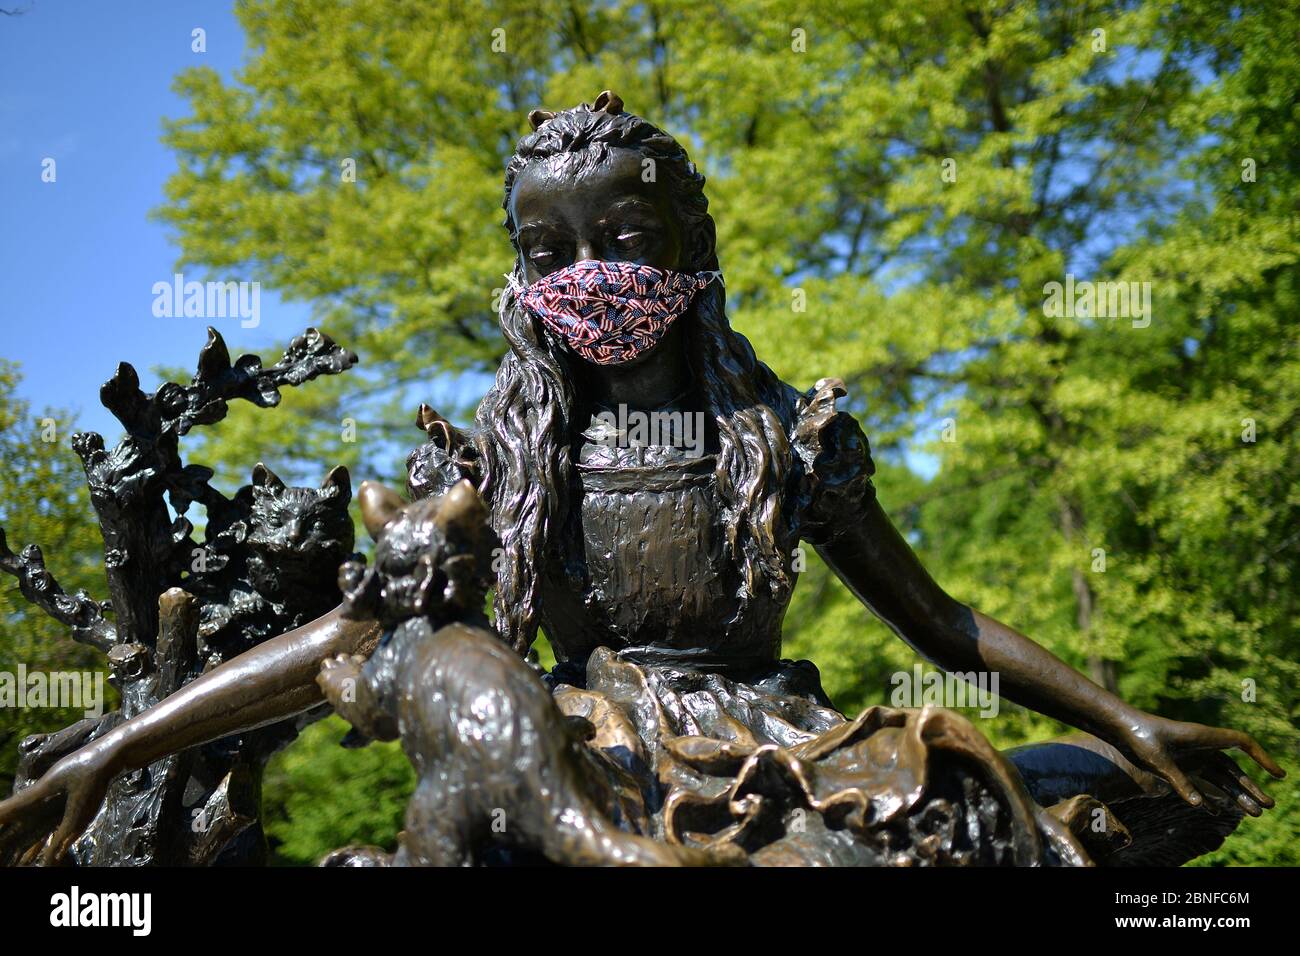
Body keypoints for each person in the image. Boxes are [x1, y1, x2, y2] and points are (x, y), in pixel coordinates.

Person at [1, 91, 1281, 866]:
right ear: (517, 275)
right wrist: (114, 748)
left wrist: (1127, 720)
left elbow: (940, 624)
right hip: (581, 744)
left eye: (624, 240)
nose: (587, 275)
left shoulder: (789, 441)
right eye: (546, 249)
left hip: (780, 741)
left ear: (690, 247)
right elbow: (343, 637)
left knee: (1010, 814)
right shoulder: (494, 463)